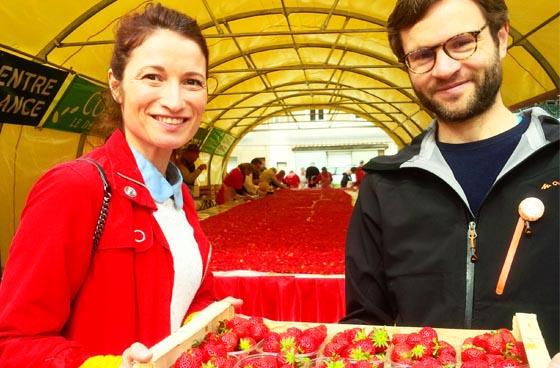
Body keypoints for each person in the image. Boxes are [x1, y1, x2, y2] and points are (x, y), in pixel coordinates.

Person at [0, 4, 240, 367]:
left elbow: (188, 298)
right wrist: (105, 364)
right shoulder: (76, 188)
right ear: (116, 85)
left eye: (192, 81)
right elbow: (13, 340)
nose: (175, 101)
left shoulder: (179, 196)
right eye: (152, 77)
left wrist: (205, 321)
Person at [342, 0, 559, 355]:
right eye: (422, 55)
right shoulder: (385, 185)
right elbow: (366, 322)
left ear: (502, 38)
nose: (443, 69)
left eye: (461, 42)